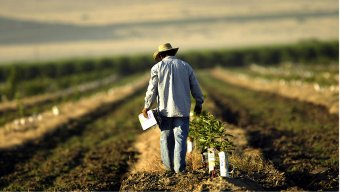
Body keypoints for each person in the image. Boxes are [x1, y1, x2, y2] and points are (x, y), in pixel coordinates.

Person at [142, 43, 204, 173]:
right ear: (172, 53)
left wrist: (146, 106)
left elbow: (152, 89)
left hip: (164, 111)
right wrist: (199, 102)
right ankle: (179, 169)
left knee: (165, 139)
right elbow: (195, 86)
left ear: (161, 55)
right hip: (182, 110)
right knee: (181, 139)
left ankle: (168, 169)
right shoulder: (185, 66)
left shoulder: (157, 68)